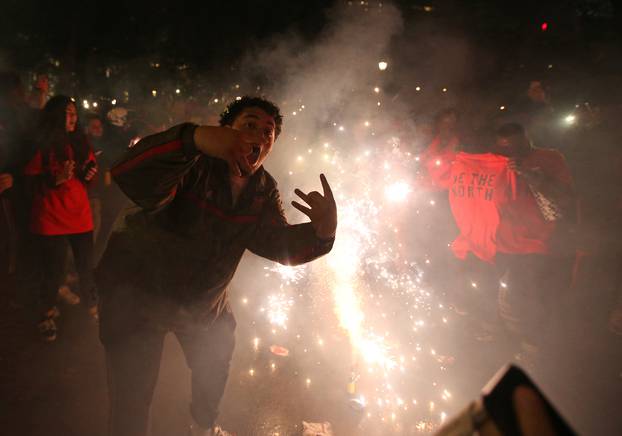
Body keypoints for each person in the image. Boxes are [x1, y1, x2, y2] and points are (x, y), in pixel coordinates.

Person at [96, 96, 338, 436]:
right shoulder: (193, 163)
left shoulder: (262, 189)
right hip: (138, 295)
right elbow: (130, 174)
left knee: (215, 361)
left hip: (202, 303)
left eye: (268, 132)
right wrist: (193, 138)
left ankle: (203, 426)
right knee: (132, 401)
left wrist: (323, 234)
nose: (259, 135)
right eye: (249, 125)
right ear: (225, 131)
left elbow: (275, 243)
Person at [24, 95, 99, 341]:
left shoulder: (80, 141)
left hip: (79, 215)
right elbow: (29, 180)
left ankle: (93, 306)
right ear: (55, 115)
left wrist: (89, 174)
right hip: (50, 217)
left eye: (74, 113)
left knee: (86, 265)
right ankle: (45, 313)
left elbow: (88, 176)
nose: (73, 117)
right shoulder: (43, 144)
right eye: (67, 112)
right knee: (53, 270)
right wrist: (55, 180)